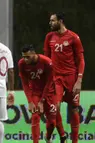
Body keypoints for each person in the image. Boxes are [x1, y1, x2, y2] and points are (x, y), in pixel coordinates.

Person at [44, 12, 85, 143]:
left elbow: (81, 60)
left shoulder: (74, 37)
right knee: (55, 108)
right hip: (56, 78)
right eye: (50, 21)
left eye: (53, 21)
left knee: (74, 109)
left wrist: (79, 80)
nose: (50, 23)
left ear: (60, 21)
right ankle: (61, 136)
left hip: (72, 78)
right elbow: (47, 60)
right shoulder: (49, 37)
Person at [19, 45, 57, 143]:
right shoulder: (22, 64)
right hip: (35, 93)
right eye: (23, 56)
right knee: (35, 117)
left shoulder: (47, 62)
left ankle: (48, 137)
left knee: (52, 123)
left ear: (34, 54)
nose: (25, 59)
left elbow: (49, 83)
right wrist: (30, 101)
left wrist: (42, 101)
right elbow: (25, 83)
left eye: (27, 57)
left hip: (49, 93)